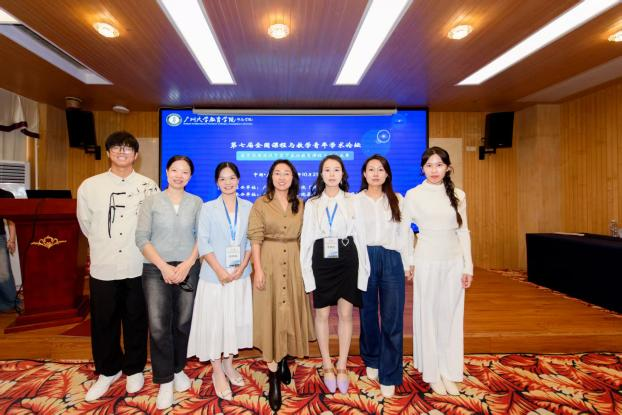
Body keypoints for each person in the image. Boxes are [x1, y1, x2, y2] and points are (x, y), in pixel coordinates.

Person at [77, 131, 159, 402]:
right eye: (116, 147)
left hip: (138, 264)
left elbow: (155, 225)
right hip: (105, 264)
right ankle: (108, 370)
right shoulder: (90, 186)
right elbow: (86, 225)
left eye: (127, 148)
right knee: (104, 322)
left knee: (136, 319)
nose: (122, 152)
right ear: (108, 152)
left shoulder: (149, 186)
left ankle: (134, 368)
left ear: (136, 155)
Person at [404, 146, 473, 396]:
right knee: (429, 317)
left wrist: (468, 265)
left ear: (448, 168)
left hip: (453, 263)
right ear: (422, 168)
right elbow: (404, 230)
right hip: (426, 262)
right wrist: (409, 261)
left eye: (439, 165)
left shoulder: (459, 195)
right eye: (429, 165)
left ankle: (448, 370)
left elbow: (463, 231)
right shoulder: (413, 195)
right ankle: (432, 372)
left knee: (450, 317)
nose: (434, 170)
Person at [135, 155, 202, 410]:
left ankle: (177, 368)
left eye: (185, 172)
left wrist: (187, 264)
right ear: (166, 172)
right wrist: (163, 266)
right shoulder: (151, 201)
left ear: (190, 176)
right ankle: (164, 380)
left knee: (183, 322)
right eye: (175, 170)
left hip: (188, 267)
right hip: (155, 269)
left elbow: (202, 237)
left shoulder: (196, 202)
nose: (179, 175)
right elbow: (142, 238)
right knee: (159, 325)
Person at [248, 159, 315, 411]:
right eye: (277, 173)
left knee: (289, 313)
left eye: (286, 173)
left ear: (293, 177)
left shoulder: (301, 204)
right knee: (272, 315)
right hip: (269, 262)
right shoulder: (261, 204)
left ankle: (284, 357)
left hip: (294, 263)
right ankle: (273, 376)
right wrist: (258, 269)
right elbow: (255, 238)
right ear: (271, 177)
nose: (282, 177)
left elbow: (307, 237)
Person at [300, 154, 369, 394]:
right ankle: (327, 364)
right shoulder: (312, 203)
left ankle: (342, 365)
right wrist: (307, 273)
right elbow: (307, 239)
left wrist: (364, 270)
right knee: (321, 314)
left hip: (347, 257)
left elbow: (360, 236)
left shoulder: (353, 200)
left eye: (336, 169)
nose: (331, 174)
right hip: (321, 259)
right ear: (321, 174)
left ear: (343, 174)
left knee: (346, 314)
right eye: (327, 170)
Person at [187, 162, 253, 402]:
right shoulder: (208, 208)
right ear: (217, 182)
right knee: (216, 322)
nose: (228, 182)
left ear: (238, 180)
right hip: (214, 278)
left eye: (232, 177)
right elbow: (203, 242)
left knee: (233, 321)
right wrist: (220, 271)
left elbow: (251, 241)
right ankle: (217, 371)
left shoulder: (249, 207)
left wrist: (242, 267)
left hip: (239, 276)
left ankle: (228, 363)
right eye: (223, 179)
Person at [355, 154, 414, 398]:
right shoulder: (355, 201)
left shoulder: (397, 199)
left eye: (380, 169)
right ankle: (372, 357)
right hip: (365, 258)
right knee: (367, 314)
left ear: (387, 173)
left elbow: (406, 233)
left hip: (392, 258)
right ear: (364, 174)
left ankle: (389, 373)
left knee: (393, 317)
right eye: (371, 169)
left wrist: (408, 262)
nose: (376, 173)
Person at [0, 188, 17, 313]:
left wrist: (11, 240)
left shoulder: (5, 195)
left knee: (3, 274)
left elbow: (11, 220)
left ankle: (9, 303)